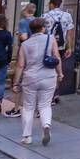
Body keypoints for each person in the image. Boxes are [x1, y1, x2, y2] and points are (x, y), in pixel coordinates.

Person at [13, 17, 61, 146]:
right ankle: (46, 125)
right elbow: (57, 57)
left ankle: (27, 136)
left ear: (31, 30)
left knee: (28, 107)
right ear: (43, 28)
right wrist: (60, 73)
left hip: (30, 78)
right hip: (48, 77)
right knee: (45, 105)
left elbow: (20, 65)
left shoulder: (25, 44)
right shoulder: (50, 39)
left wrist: (16, 82)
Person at [43, 0, 74, 104]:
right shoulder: (67, 16)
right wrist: (69, 47)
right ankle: (56, 92)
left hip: (48, 46)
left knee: (47, 69)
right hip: (61, 46)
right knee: (58, 68)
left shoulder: (45, 16)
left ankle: (49, 93)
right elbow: (70, 34)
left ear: (52, 4)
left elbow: (42, 32)